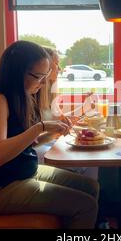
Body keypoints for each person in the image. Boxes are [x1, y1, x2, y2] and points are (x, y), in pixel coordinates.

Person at [0, 41, 99, 229]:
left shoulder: (20, 96)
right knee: (86, 206)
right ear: (17, 72)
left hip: (24, 174)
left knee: (91, 187)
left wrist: (52, 131)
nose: (42, 83)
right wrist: (39, 127)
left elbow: (26, 143)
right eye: (39, 77)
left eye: (45, 76)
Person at [35, 47, 98, 180]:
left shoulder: (49, 95)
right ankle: (86, 194)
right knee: (89, 159)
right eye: (57, 63)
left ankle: (89, 195)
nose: (60, 68)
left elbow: (63, 119)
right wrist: (55, 132)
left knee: (92, 157)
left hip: (50, 142)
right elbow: (33, 141)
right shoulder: (32, 95)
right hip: (36, 150)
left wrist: (84, 107)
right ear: (45, 65)